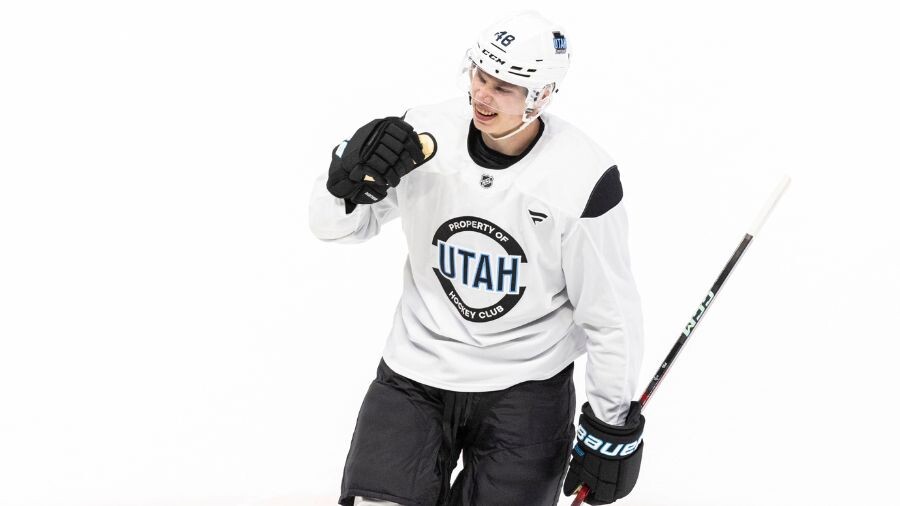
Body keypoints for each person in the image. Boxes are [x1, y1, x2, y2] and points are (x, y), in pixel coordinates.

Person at [309, 11, 646, 506]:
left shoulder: (582, 178)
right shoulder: (424, 134)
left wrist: (610, 422)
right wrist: (340, 186)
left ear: (541, 95)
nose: (483, 96)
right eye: (480, 76)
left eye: (504, 87)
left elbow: (610, 312)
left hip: (526, 387)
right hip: (416, 372)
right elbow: (335, 228)